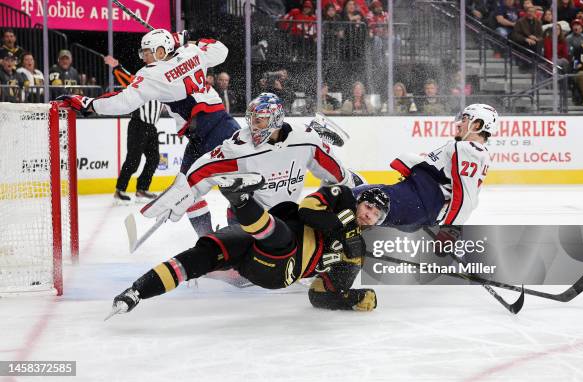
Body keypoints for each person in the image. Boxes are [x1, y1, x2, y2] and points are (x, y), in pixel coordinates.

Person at [107, 176, 389, 318]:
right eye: (368, 207)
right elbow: (306, 212)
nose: (368, 215)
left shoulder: (355, 253)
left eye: (376, 214)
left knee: (279, 238)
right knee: (206, 254)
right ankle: (135, 292)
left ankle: (241, 200)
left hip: (283, 269)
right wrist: (344, 226)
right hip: (259, 238)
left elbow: (321, 295)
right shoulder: (338, 198)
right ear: (358, 201)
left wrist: (350, 299)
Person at [58, 29, 241, 236]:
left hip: (209, 133)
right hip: (219, 127)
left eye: (147, 52)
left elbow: (122, 102)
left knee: (208, 190)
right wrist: (183, 39)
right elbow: (221, 50)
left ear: (162, 51)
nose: (143, 56)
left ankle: (229, 237)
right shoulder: (192, 51)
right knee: (198, 191)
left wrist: (88, 103)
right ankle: (215, 238)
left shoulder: (153, 74)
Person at [140, 93, 359, 236]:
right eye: (252, 118)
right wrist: (184, 192)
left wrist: (352, 188)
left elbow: (336, 175)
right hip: (246, 219)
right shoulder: (239, 146)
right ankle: (212, 242)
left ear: (275, 119)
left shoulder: (305, 140)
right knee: (237, 276)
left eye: (260, 119)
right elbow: (205, 169)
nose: (253, 124)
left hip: (285, 220)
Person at [353, 104, 498, 226]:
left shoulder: (469, 150)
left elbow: (465, 200)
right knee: (355, 197)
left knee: (350, 199)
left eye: (465, 120)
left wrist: (449, 232)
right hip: (415, 199)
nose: (459, 123)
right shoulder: (471, 150)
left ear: (477, 125)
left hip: (415, 202)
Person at [103, 55, 163, 204]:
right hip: (138, 125)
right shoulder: (143, 81)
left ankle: (142, 189)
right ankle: (120, 191)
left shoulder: (164, 85)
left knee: (154, 159)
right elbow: (128, 80)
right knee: (133, 160)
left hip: (151, 127)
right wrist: (117, 66)